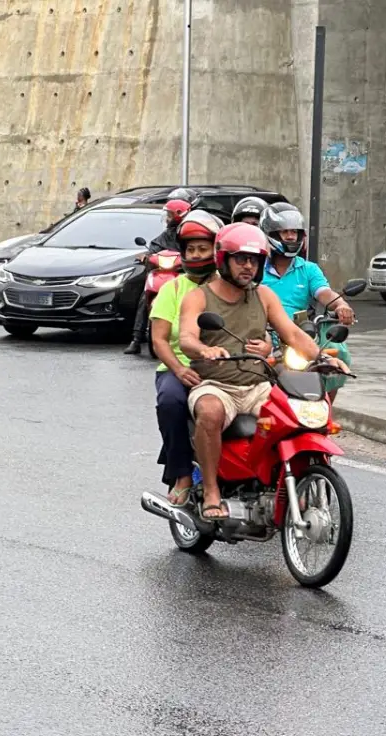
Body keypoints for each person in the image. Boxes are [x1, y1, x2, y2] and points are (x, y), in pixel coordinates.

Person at [179, 223, 342, 521]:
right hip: (216, 384)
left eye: (254, 260)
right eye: (241, 259)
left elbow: (292, 334)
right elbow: (187, 337)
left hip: (258, 385)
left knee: (296, 414)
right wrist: (204, 350)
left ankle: (284, 482)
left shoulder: (264, 295)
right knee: (210, 412)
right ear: (223, 259)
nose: (248, 266)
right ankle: (212, 490)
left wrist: (322, 357)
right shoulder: (199, 297)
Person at [149, 210, 223, 505]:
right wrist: (179, 369)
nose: (195, 255)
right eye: (190, 249)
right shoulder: (173, 288)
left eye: (202, 248)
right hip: (179, 366)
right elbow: (159, 340)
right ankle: (180, 473)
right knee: (171, 401)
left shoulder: (227, 286)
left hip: (223, 365)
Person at [259, 203, 354, 399]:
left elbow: (324, 293)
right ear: (271, 234)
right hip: (263, 334)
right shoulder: (255, 269)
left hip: (299, 335)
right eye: (284, 232)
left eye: (294, 232)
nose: (291, 237)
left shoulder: (309, 269)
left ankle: (326, 407)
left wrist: (341, 305)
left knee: (338, 353)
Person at [123, 198, 194, 355]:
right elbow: (155, 247)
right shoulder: (166, 234)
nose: (167, 219)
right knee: (144, 296)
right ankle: (136, 338)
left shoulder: (189, 233)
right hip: (164, 273)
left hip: (183, 273)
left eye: (169, 215)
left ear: (178, 215)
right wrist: (147, 256)